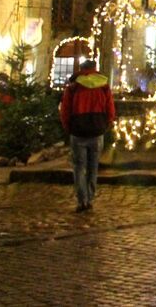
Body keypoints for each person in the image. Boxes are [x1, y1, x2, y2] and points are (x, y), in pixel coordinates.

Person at [59, 60, 116, 213]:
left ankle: (81, 200)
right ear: (94, 69)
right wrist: (107, 123)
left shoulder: (73, 87)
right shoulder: (103, 85)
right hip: (97, 131)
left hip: (78, 131)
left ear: (81, 69)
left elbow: (65, 109)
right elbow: (110, 108)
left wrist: (67, 126)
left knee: (79, 167)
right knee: (93, 167)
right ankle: (90, 198)